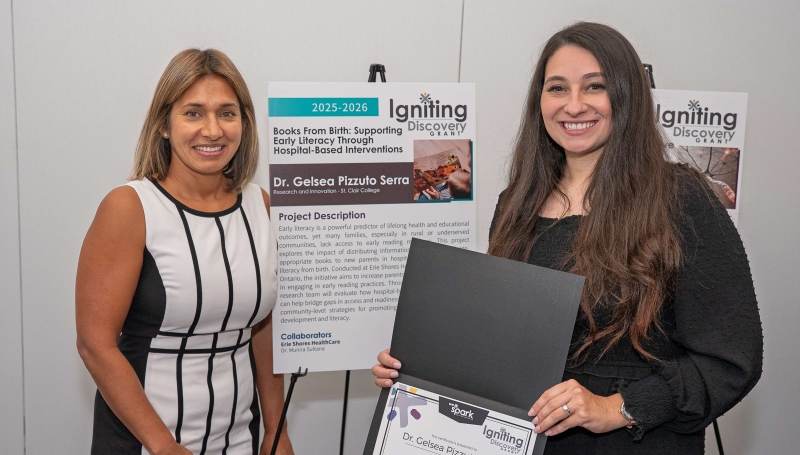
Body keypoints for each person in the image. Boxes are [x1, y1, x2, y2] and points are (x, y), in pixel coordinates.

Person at [373, 22, 762, 454]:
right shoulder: (515, 204)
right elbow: (501, 340)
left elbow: (731, 360)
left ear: (626, 96)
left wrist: (618, 407)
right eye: (557, 88)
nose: (573, 106)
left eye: (594, 87)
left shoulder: (680, 199)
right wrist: (420, 368)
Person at [76, 49, 294, 455]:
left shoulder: (261, 206)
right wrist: (162, 446)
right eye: (193, 113)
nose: (212, 130)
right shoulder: (129, 208)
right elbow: (95, 345)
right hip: (146, 442)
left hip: (238, 437)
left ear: (244, 123)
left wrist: (275, 429)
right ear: (163, 124)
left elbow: (263, 328)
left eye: (227, 113)